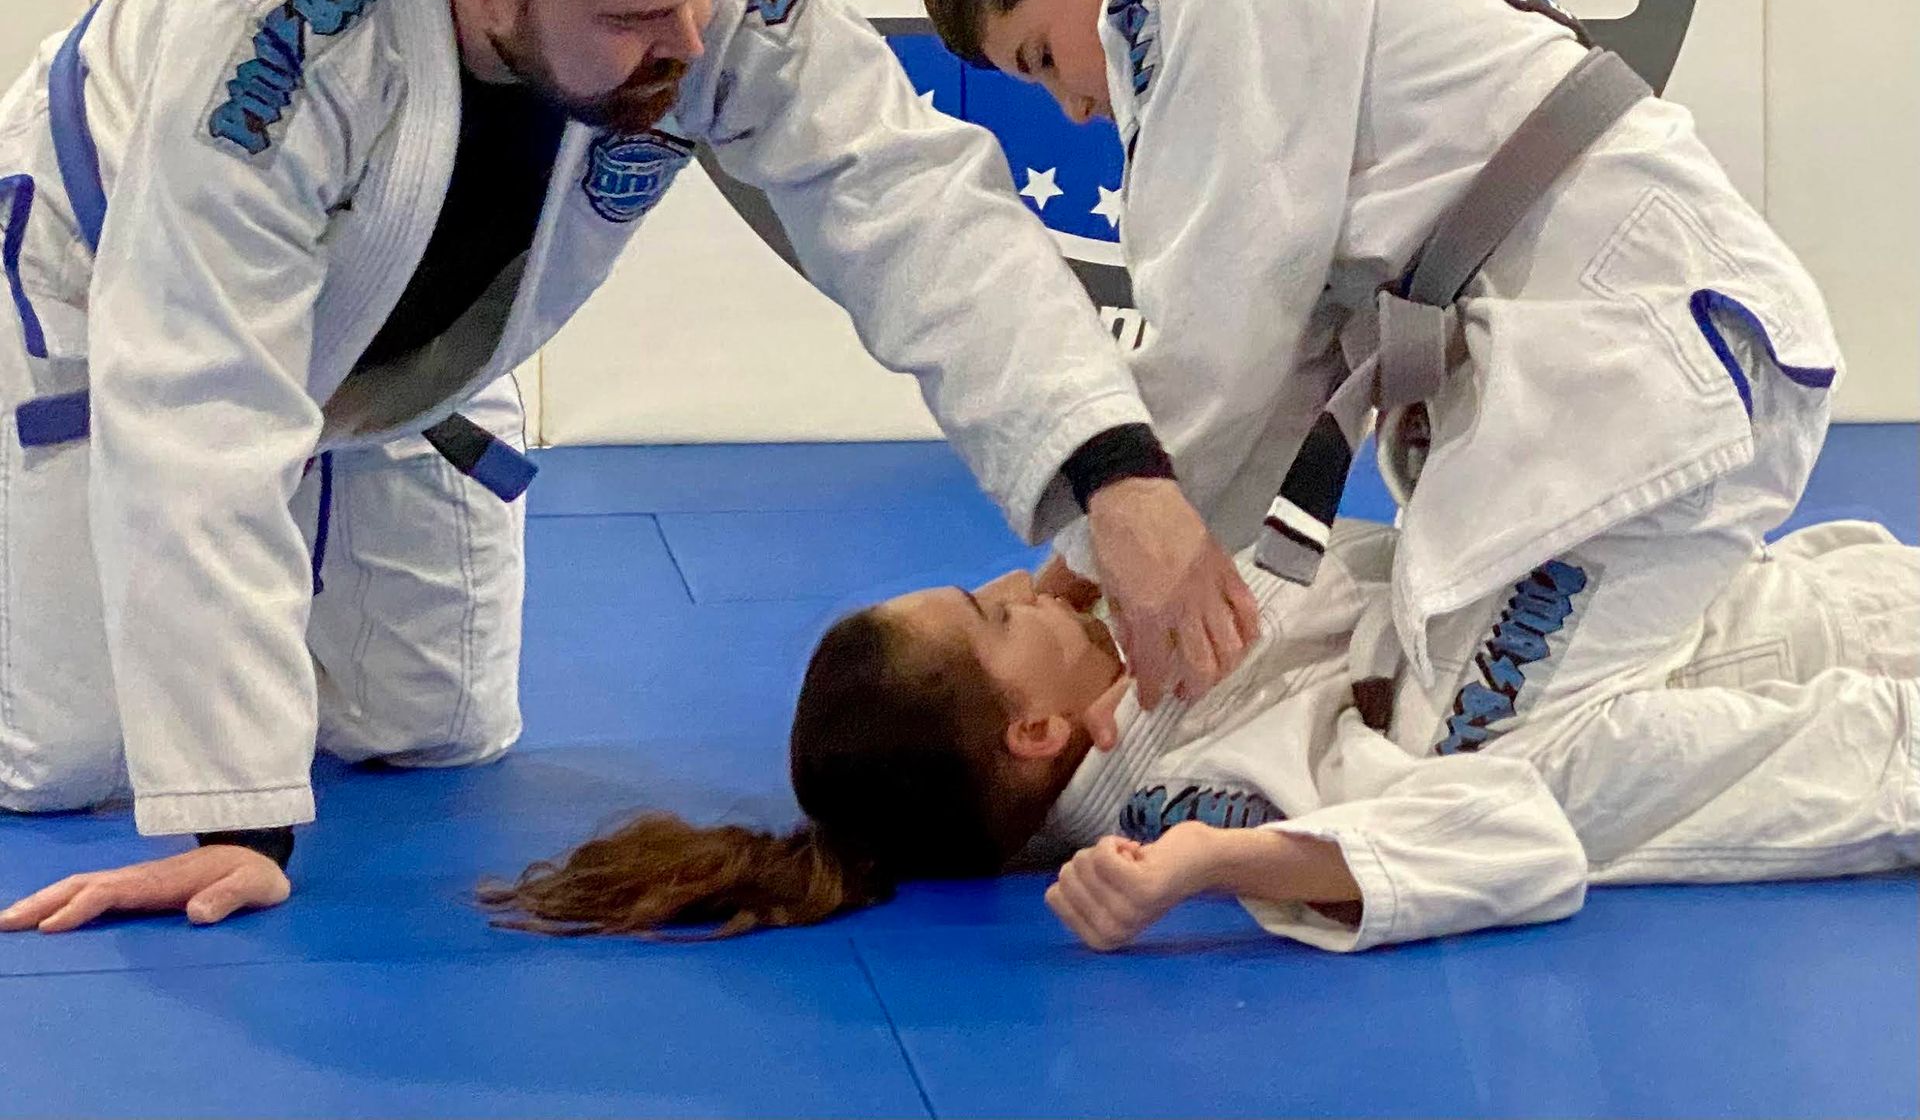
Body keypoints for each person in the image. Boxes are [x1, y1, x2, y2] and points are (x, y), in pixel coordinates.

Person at [0, 0, 1254, 935]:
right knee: (64, 761)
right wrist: (240, 819)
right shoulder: (269, 25)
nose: (694, 39)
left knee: (432, 725)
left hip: (426, 352)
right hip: (106, 287)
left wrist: (1114, 474)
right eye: (635, 20)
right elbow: (203, 401)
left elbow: (912, 209)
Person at [909, 0, 1856, 852]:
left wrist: (1108, 558)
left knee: (1477, 776)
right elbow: (1285, 363)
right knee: (1476, 690)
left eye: (1043, 56)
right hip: (1649, 350)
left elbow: (1218, 363)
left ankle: (1885, 763)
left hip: (1647, 368)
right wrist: (1095, 576)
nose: (1073, 106)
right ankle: (1862, 620)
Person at [476, 519, 1920, 951]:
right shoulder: (1185, 796)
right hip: (1778, 717)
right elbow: (1509, 836)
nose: (1028, 581)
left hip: (1754, 607)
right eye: (993, 609)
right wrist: (1215, 871)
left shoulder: (1142, 675)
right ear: (1038, 729)